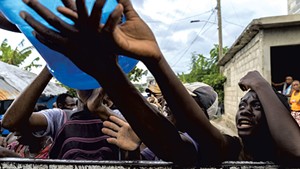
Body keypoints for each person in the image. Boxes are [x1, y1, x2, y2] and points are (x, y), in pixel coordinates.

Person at [19, 0, 300, 167]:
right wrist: (124, 69)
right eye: (244, 104)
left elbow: (295, 151)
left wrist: (263, 86)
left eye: (257, 106)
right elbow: (173, 146)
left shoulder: (281, 151)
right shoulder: (230, 149)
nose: (245, 111)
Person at [2, 66, 119, 160]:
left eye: (97, 76)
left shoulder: (117, 116)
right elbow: (10, 122)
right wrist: (51, 65)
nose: (89, 82)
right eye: (83, 73)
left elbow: (135, 134)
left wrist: (99, 109)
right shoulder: (60, 117)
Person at [102, 82, 219, 161]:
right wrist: (133, 149)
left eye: (179, 101)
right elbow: (143, 162)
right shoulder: (170, 136)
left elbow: (180, 145)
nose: (167, 103)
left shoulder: (199, 142)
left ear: (200, 113)